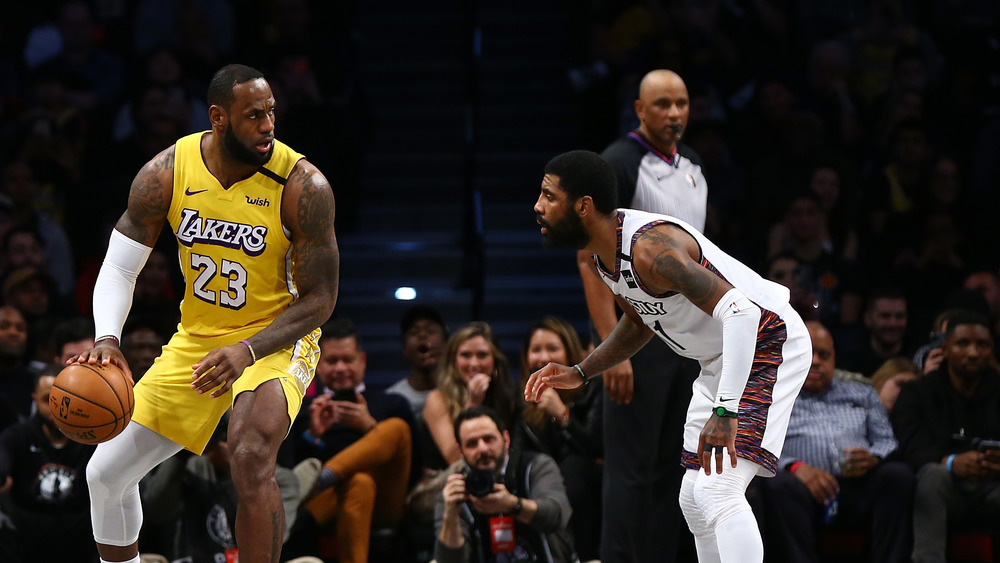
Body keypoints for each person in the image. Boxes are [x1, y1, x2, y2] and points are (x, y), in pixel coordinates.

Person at [71, 64, 340, 563]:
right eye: (254, 115)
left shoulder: (303, 186)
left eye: (272, 112)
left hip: (276, 340)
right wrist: (107, 338)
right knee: (104, 474)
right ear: (218, 118)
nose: (268, 125)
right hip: (198, 339)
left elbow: (321, 300)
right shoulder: (168, 171)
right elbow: (119, 268)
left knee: (250, 454)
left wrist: (249, 349)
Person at [527, 150, 811, 563]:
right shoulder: (604, 255)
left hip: (767, 340)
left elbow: (743, 313)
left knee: (719, 490)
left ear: (583, 206)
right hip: (723, 356)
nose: (538, 206)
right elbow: (640, 321)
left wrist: (727, 410)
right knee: (693, 497)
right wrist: (582, 370)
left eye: (548, 196)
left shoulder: (651, 250)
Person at [577, 68, 704, 563]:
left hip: (687, 340)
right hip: (639, 336)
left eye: (682, 103)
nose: (674, 114)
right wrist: (612, 352)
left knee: (675, 468)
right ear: (640, 110)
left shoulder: (693, 163)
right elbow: (589, 259)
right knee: (628, 469)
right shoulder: (618, 164)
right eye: (663, 105)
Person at [757, 321, 914, 563]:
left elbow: (887, 440)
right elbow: (757, 448)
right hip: (802, 490)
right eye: (808, 353)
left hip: (858, 485)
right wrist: (795, 467)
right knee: (777, 485)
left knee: (897, 475)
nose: (816, 361)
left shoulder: (862, 392)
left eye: (824, 354)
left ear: (834, 358)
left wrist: (873, 457)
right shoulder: (774, 397)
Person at [284, 319, 415, 563]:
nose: (341, 368)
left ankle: (327, 476)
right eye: (332, 361)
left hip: (385, 501)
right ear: (318, 366)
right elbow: (292, 474)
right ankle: (326, 480)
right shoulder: (303, 410)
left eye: (348, 360)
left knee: (396, 428)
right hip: (323, 504)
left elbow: (410, 464)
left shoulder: (391, 403)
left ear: (362, 361)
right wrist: (313, 436)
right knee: (359, 482)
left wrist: (370, 426)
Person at [890, 310, 1000, 563]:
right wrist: (951, 462)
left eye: (982, 345)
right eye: (963, 344)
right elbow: (909, 447)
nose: (973, 353)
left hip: (993, 488)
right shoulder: (917, 392)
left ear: (992, 349)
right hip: (945, 490)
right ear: (946, 349)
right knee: (933, 474)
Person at [138, 412, 302, 562]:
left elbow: (269, 538)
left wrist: (236, 469)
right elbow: (157, 511)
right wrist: (179, 453)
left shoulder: (283, 481)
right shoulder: (192, 466)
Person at [435, 406, 576, 563]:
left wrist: (512, 505)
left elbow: (556, 516)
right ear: (460, 452)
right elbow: (448, 561)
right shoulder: (455, 491)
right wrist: (450, 516)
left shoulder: (536, 466)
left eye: (489, 439)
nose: (482, 449)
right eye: (472, 444)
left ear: (506, 440)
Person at [517, 316, 603, 561]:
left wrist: (563, 415)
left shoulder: (593, 389)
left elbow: (598, 446)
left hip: (588, 498)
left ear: (569, 352)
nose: (543, 357)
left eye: (552, 348)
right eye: (536, 350)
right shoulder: (520, 399)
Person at [0, 367, 98, 563]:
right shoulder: (17, 435)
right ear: (34, 398)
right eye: (48, 399)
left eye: (64, 400)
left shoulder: (94, 437)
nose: (57, 408)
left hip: (81, 529)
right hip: (27, 529)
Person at [423, 322, 519, 470]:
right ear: (454, 362)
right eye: (465, 355)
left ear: (495, 361)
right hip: (450, 482)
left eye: (482, 355)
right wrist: (473, 404)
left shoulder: (509, 397)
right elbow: (455, 460)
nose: (474, 363)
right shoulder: (438, 400)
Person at [387, 305, 448, 418]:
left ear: (446, 343)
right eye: (414, 332)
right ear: (404, 348)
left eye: (431, 331)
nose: (422, 335)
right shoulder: (392, 399)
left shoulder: (460, 392)